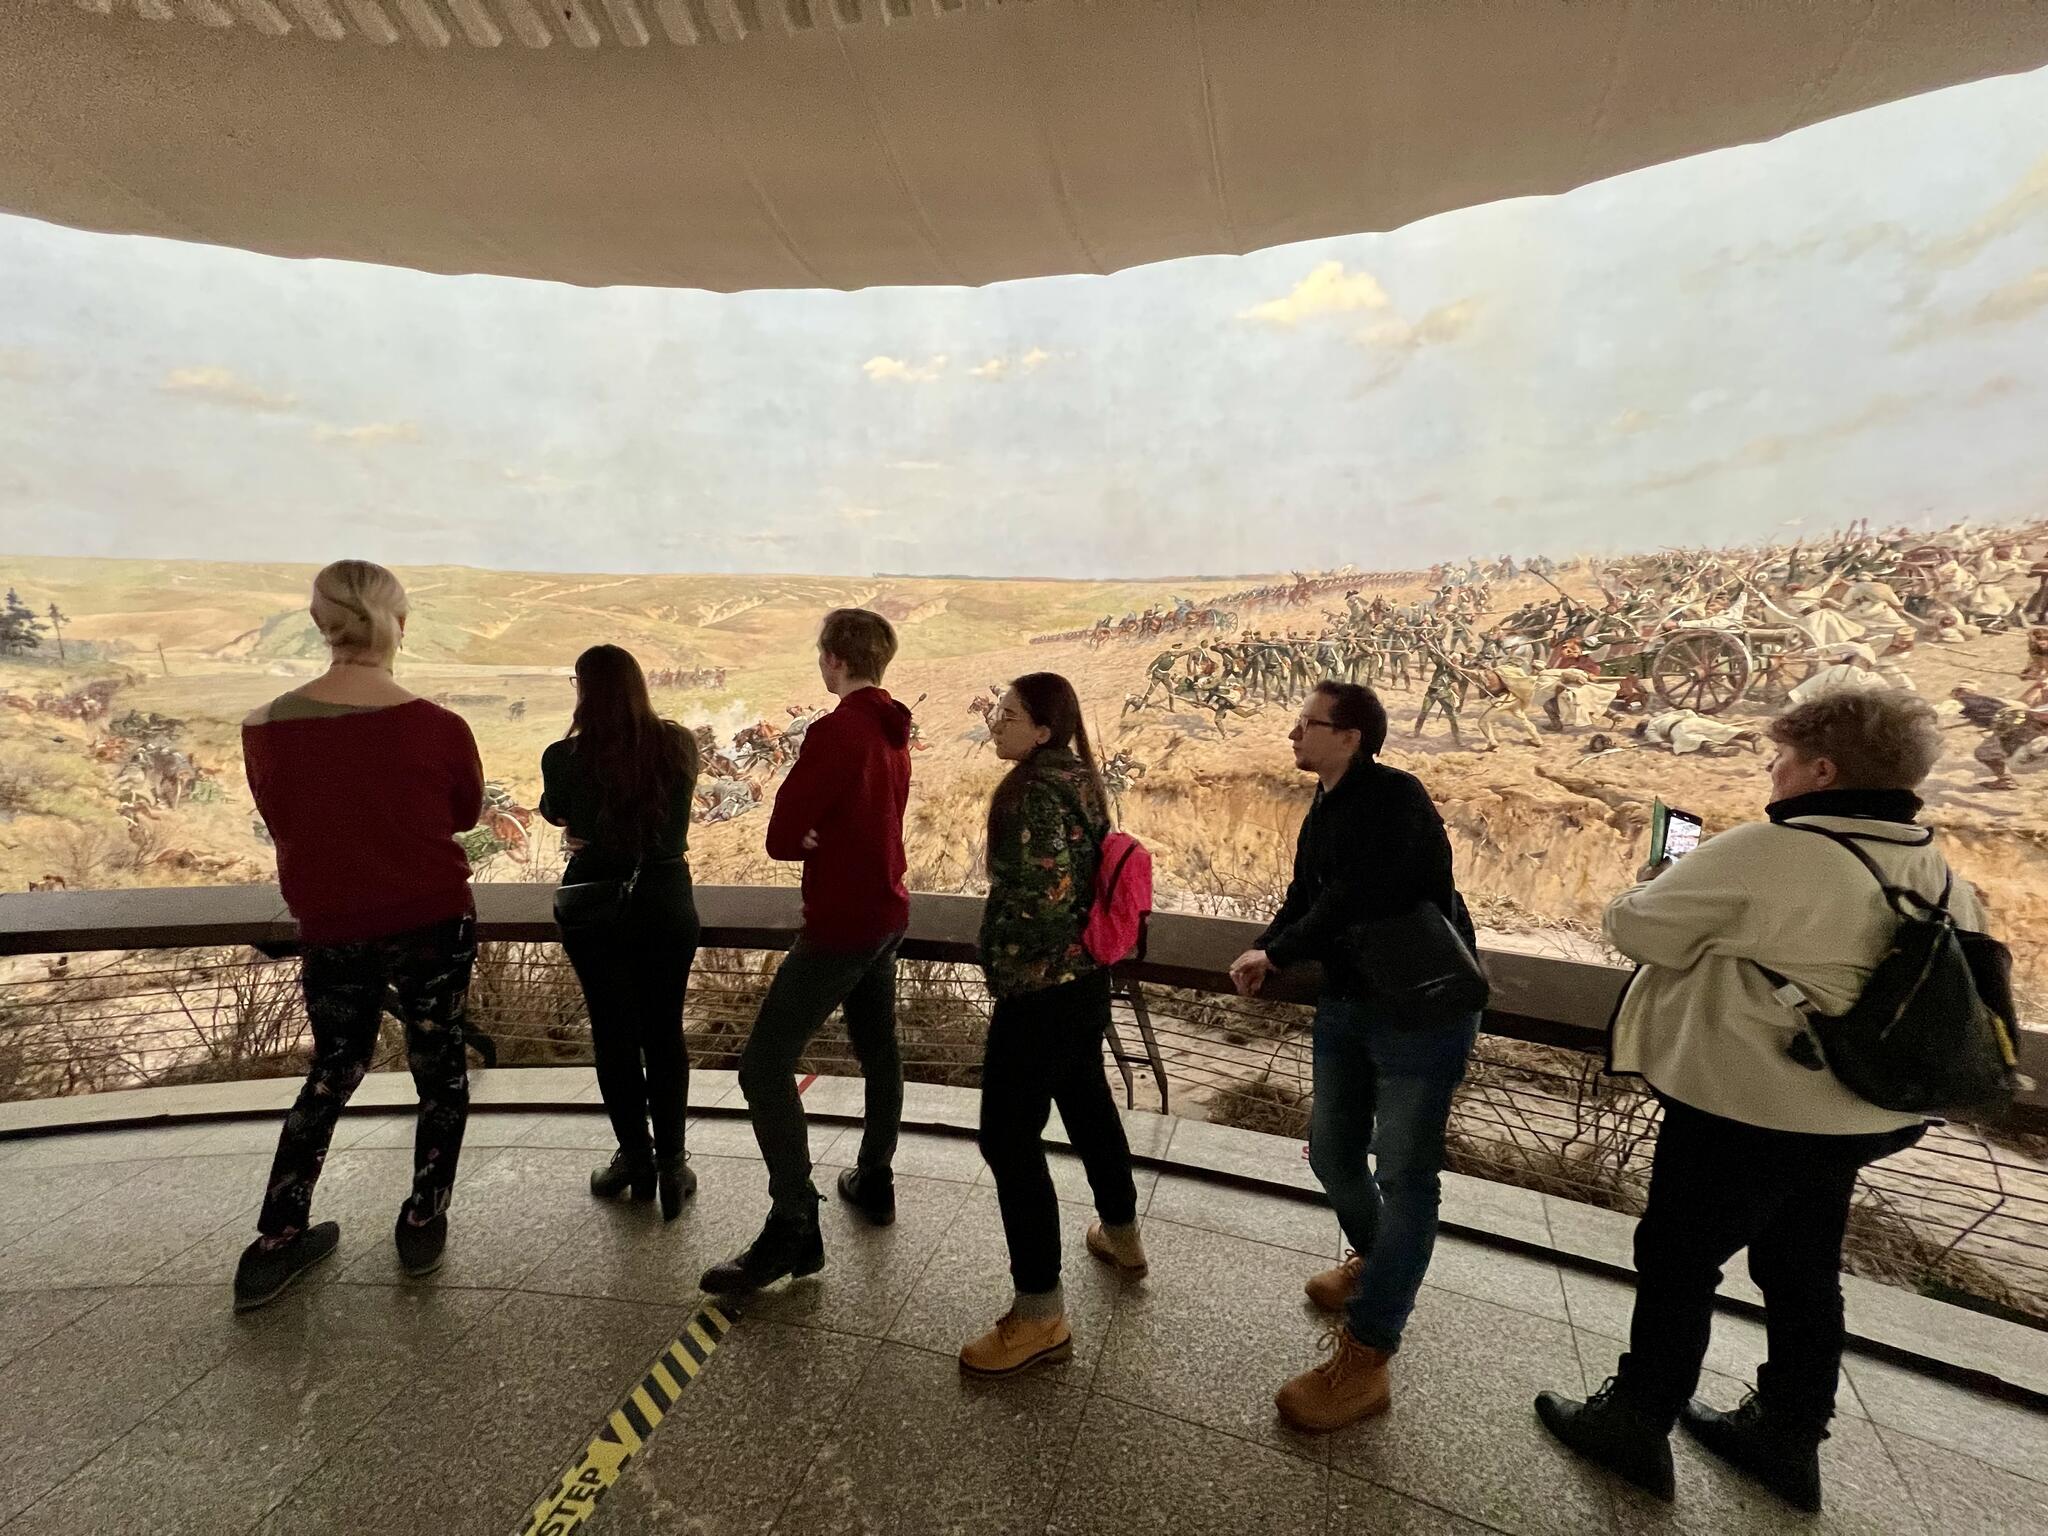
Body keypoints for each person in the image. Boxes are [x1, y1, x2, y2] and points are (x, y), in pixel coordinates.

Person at [1535, 689, 1988, 1513]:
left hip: (1748, 1107)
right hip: (1860, 1113)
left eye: (1780, 760)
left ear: (1824, 771)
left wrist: (1657, 878)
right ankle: (1787, 1436)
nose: (1771, 775)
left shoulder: (1768, 850)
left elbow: (1637, 930)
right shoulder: (1933, 866)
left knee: (1678, 1262)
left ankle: (1636, 1421)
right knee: (1802, 1269)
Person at [1229, 681, 1480, 1432]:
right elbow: (1307, 893)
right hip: (1349, 1001)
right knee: (1334, 1153)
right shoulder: (1328, 800)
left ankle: (1369, 1355)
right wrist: (1266, 949)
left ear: (1350, 736)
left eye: (1308, 724)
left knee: (1404, 1175)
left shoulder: (1396, 796)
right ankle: (1380, 1263)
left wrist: (1280, 951)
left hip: (1417, 1012)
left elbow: (1358, 895)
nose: (1293, 734)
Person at [233, 559, 484, 1310]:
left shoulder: (264, 728)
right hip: (433, 919)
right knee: (440, 1069)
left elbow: (284, 821)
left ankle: (277, 1240)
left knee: (334, 1070)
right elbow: (465, 814)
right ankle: (423, 1220)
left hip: (332, 925)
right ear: (398, 625)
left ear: (320, 623)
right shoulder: (439, 726)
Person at [702, 609, 914, 1294]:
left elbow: (781, 834)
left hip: (842, 922)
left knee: (764, 1066)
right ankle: (873, 1176)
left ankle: (795, 1223)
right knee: (878, 1048)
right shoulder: (894, 728)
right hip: (887, 913)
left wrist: (810, 837)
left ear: (835, 660)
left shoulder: (836, 730)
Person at [960, 674, 1146, 1377]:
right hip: (1085, 981)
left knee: (1007, 1140)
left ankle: (1040, 1315)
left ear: (1042, 730)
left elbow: (1044, 900)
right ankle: (1122, 1236)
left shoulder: (1032, 791)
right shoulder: (1081, 778)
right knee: (1087, 1103)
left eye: (1008, 715)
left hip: (1041, 989)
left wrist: (1000, 946)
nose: (995, 723)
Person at [540, 645, 702, 1221]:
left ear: (584, 689)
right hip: (666, 899)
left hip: (595, 905)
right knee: (665, 1032)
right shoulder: (679, 745)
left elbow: (556, 809)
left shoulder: (563, 756)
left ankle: (634, 1158)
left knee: (612, 1034)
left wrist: (581, 831)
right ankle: (673, 1165)